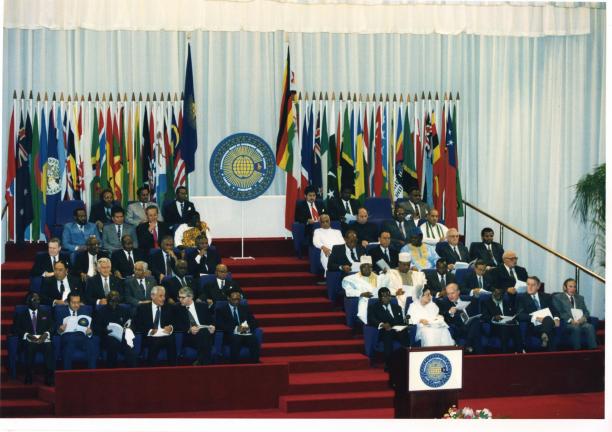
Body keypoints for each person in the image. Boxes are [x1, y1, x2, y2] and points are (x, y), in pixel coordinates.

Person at [11, 293, 55, 385]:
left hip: (43, 339)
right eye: (34, 300)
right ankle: (29, 375)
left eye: (38, 300)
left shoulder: (45, 313)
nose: (37, 302)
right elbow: (15, 328)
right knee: (30, 346)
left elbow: (52, 326)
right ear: (28, 302)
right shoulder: (21, 315)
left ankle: (49, 377)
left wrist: (46, 334)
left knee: (49, 346)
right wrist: (27, 335)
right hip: (29, 340)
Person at [367, 287, 410, 370]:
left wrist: (405, 325)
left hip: (397, 330)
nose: (387, 298)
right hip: (384, 331)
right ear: (379, 298)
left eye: (388, 296)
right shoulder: (374, 307)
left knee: (404, 332)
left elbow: (401, 321)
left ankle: (406, 361)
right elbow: (371, 319)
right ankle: (389, 364)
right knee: (388, 333)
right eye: (384, 296)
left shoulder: (397, 307)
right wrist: (382, 324)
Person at [133, 285, 177, 366]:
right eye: (160, 296)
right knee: (156, 341)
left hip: (165, 335)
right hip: (150, 336)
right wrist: (150, 331)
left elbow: (175, 322)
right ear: (153, 296)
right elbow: (137, 324)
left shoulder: (169, 307)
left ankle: (173, 368)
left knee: (171, 339)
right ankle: (151, 368)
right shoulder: (142, 308)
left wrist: (171, 327)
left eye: (164, 296)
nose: (163, 298)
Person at [215, 288, 260, 364]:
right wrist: (236, 329)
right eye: (234, 299)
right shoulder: (221, 310)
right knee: (236, 338)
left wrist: (248, 327)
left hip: (245, 333)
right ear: (228, 298)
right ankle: (234, 364)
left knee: (253, 339)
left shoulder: (245, 308)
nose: (236, 301)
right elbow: (219, 324)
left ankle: (255, 363)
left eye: (238, 299)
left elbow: (254, 322)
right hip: (230, 335)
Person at [94, 290, 137, 368]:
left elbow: (130, 323)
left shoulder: (124, 310)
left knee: (130, 350)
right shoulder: (101, 311)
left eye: (116, 301)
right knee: (112, 344)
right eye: (112, 301)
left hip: (122, 337)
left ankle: (132, 371)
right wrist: (105, 330)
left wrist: (128, 328)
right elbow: (96, 328)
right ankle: (112, 370)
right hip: (107, 337)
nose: (114, 304)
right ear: (108, 300)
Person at [516, 276, 560, 350]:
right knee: (550, 324)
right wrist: (535, 318)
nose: (530, 287)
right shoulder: (522, 298)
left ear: (538, 286)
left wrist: (556, 318)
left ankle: (544, 334)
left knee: (548, 320)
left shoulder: (546, 296)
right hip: (533, 325)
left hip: (547, 324)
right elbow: (519, 315)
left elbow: (554, 310)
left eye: (533, 285)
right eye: (528, 284)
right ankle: (551, 352)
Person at [552, 278, 597, 350]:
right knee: (576, 328)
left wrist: (583, 318)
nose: (573, 289)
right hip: (566, 323)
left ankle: (593, 350)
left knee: (590, 327)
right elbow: (559, 312)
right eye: (570, 286)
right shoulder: (558, 298)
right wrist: (571, 320)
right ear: (564, 287)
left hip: (580, 321)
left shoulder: (580, 298)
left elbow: (586, 311)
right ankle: (577, 350)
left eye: (574, 287)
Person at [56, 292, 97, 369]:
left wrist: (89, 333)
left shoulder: (84, 311)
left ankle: (92, 373)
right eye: (73, 303)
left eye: (78, 302)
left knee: (91, 346)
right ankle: (67, 374)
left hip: (82, 337)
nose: (76, 305)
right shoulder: (61, 312)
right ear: (68, 302)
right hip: (68, 337)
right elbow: (56, 331)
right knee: (69, 346)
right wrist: (60, 330)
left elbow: (90, 328)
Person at [438, 283, 482, 354]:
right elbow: (443, 316)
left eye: (452, 293)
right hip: (458, 328)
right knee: (475, 329)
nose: (450, 296)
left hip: (470, 325)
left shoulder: (468, 299)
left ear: (458, 292)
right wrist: (450, 312)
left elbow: (476, 309)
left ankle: (467, 345)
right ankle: (469, 346)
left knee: (476, 321)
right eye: (448, 294)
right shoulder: (444, 302)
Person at [176, 287, 215, 365]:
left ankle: (200, 362)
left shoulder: (202, 306)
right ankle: (205, 363)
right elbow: (176, 324)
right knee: (204, 335)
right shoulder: (177, 308)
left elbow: (210, 321)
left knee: (203, 332)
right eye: (179, 297)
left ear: (190, 297)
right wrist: (189, 329)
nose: (180, 299)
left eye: (183, 297)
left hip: (204, 334)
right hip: (189, 336)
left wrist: (212, 327)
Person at [342, 256, 386, 324]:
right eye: (364, 267)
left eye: (369, 267)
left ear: (372, 268)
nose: (367, 269)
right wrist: (361, 294)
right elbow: (349, 291)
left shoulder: (379, 278)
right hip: (365, 301)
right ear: (360, 268)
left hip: (379, 301)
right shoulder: (351, 278)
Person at [481, 286, 523, 353]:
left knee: (516, 327)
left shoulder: (506, 302)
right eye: (496, 293)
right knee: (504, 328)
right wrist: (493, 317)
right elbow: (484, 316)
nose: (499, 295)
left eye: (500, 293)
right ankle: (504, 353)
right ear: (492, 293)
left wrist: (513, 319)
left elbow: (512, 314)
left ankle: (519, 352)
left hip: (508, 324)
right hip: (495, 326)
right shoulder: (486, 303)